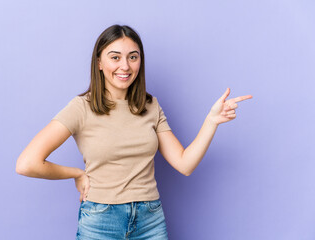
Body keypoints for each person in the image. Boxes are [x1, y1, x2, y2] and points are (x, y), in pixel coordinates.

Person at [16, 24, 252, 239]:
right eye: (115, 57)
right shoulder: (82, 107)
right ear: (99, 62)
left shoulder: (150, 106)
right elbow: (27, 163)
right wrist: (77, 174)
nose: (125, 66)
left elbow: (184, 164)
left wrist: (211, 121)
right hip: (101, 220)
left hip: (150, 219)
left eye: (133, 57)